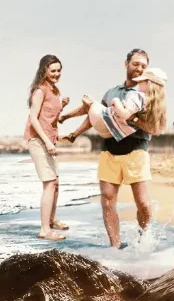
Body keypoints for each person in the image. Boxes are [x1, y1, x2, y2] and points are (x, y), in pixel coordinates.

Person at [58, 49, 160, 248]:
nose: (138, 68)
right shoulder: (111, 92)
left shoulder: (146, 95)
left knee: (143, 203)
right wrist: (74, 132)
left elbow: (154, 124)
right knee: (107, 199)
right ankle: (115, 246)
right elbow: (93, 114)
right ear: (126, 64)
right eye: (135, 63)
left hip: (136, 150)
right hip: (109, 149)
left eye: (143, 65)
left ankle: (144, 237)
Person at [25, 53, 70, 240]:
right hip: (38, 140)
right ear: (44, 70)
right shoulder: (40, 90)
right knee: (49, 183)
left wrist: (63, 106)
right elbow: (34, 119)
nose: (57, 74)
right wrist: (47, 142)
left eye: (59, 70)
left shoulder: (55, 91)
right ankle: (44, 230)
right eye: (53, 70)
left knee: (55, 182)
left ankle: (51, 220)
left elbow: (51, 118)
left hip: (49, 140)